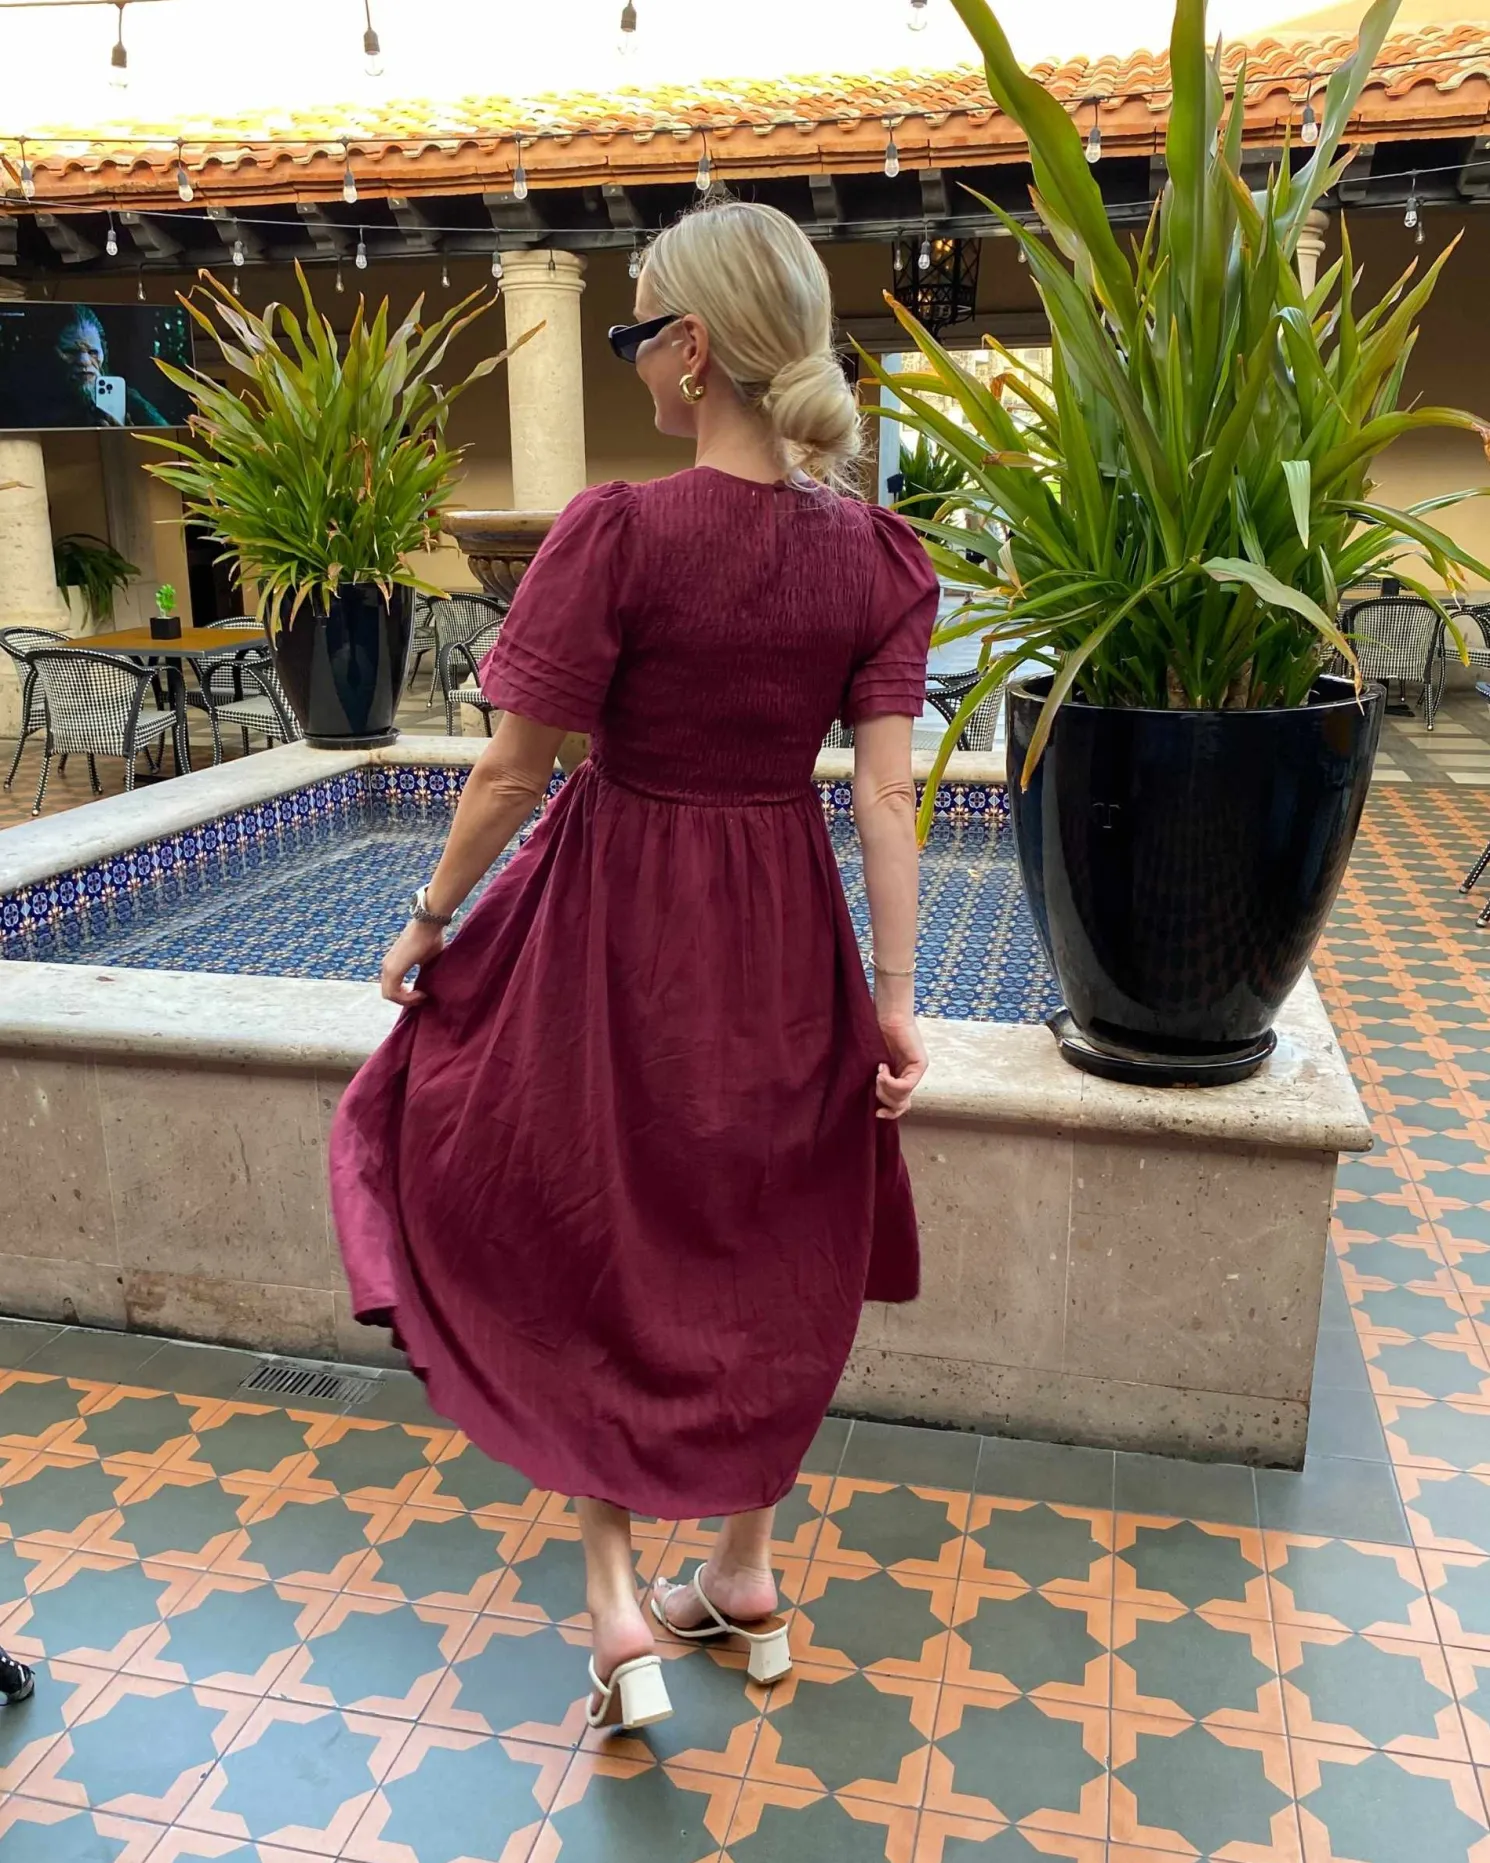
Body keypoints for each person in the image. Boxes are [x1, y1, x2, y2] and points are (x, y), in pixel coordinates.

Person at [330, 200, 937, 1732]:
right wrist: (891, 1004)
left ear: (694, 351)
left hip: (612, 925)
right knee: (764, 1239)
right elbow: (884, 798)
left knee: (581, 1232)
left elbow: (508, 770)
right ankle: (741, 1570)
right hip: (784, 933)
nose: (632, 354)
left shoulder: (619, 530)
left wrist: (428, 918)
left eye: (635, 326)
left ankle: (616, 1603)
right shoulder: (875, 556)